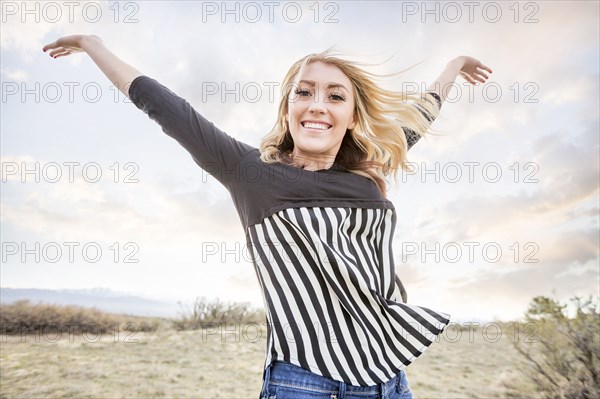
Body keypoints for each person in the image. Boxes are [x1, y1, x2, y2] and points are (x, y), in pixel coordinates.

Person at [43, 35, 492, 399]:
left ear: (352, 117)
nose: (317, 104)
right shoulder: (251, 174)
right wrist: (93, 44)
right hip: (304, 381)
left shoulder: (368, 172)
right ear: (288, 109)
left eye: (335, 96)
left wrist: (452, 66)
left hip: (386, 377)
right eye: (304, 92)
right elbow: (167, 108)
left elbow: (416, 120)